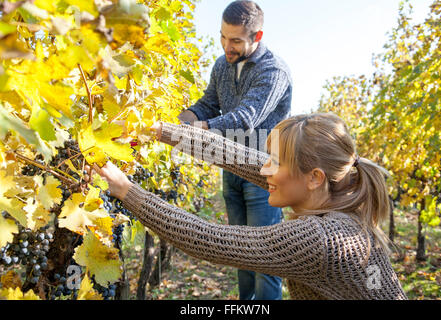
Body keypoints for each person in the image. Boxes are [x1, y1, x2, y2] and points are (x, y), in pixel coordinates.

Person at [86, 113, 408, 300]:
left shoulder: (320, 239)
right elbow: (229, 154)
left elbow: (209, 239)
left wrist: (126, 190)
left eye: (275, 163)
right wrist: (157, 131)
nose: (264, 169)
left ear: (314, 177)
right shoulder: (337, 188)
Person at [177, 0, 292, 300]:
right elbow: (207, 105)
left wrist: (198, 130)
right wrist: (182, 120)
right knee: (241, 256)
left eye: (236, 41)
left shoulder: (274, 70)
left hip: (265, 175)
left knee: (265, 259)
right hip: (231, 170)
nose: (227, 46)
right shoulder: (221, 65)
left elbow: (245, 118)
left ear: (257, 37)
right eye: (223, 37)